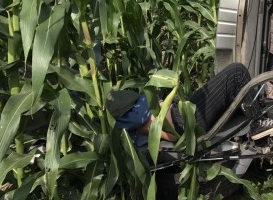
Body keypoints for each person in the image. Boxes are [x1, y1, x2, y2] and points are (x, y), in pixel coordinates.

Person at [106, 62, 255, 147]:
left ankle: (262, 117)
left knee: (235, 97)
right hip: (183, 121)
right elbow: (161, 129)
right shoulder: (111, 111)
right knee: (237, 73)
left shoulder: (109, 111)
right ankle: (259, 125)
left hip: (180, 115)